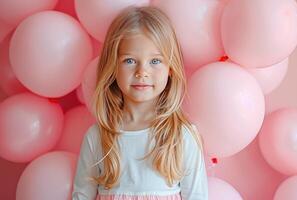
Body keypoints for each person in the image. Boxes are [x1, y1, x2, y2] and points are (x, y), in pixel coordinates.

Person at [72, 5, 208, 200]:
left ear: (170, 67)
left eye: (154, 61)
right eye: (129, 60)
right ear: (113, 66)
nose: (142, 72)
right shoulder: (98, 138)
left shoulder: (182, 136)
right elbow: (81, 196)